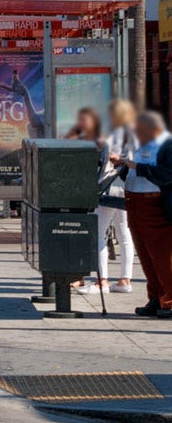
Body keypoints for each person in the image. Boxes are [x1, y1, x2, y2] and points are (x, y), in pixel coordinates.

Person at [78, 101, 136, 296]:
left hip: (108, 188)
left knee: (99, 233)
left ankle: (101, 280)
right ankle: (125, 279)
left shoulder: (111, 135)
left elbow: (103, 161)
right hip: (127, 188)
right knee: (124, 232)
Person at [124, 111, 172, 318]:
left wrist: (138, 167)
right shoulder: (142, 144)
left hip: (155, 204)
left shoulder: (167, 145)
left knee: (163, 255)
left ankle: (169, 300)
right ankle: (156, 296)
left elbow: (167, 173)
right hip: (136, 202)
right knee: (145, 254)